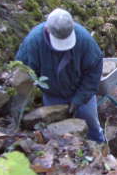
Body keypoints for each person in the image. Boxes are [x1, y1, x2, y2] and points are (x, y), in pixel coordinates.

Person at [16, 8, 105, 143]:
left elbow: (93, 72)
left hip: (81, 91)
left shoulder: (84, 40)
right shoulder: (34, 42)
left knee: (91, 123)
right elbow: (23, 71)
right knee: (58, 134)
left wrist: (79, 98)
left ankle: (100, 145)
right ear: (47, 30)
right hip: (52, 95)